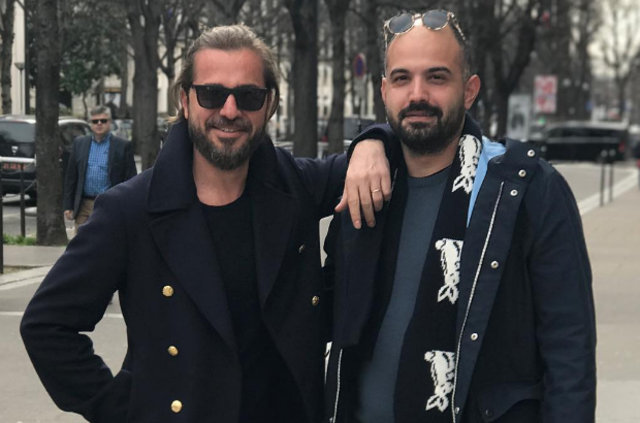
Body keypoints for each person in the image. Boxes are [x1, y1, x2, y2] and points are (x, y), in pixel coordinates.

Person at [21, 24, 389, 423]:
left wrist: (373, 142)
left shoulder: (294, 186)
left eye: (248, 96)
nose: (229, 111)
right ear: (184, 100)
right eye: (211, 94)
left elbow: (405, 141)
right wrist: (128, 410)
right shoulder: (130, 210)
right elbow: (46, 325)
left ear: (269, 104)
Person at [324, 9, 596, 423]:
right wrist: (369, 140)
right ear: (384, 91)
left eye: (437, 77)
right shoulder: (363, 185)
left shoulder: (528, 190)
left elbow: (569, 352)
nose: (417, 95)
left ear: (469, 91)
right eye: (402, 78)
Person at [63, 105, 137, 232]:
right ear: (90, 123)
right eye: (95, 121)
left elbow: (130, 178)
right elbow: (71, 177)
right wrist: (68, 205)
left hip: (109, 204)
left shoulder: (122, 146)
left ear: (110, 122)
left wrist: (128, 206)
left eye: (103, 120)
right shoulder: (80, 144)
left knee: (106, 240)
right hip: (84, 204)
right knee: (81, 241)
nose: (99, 124)